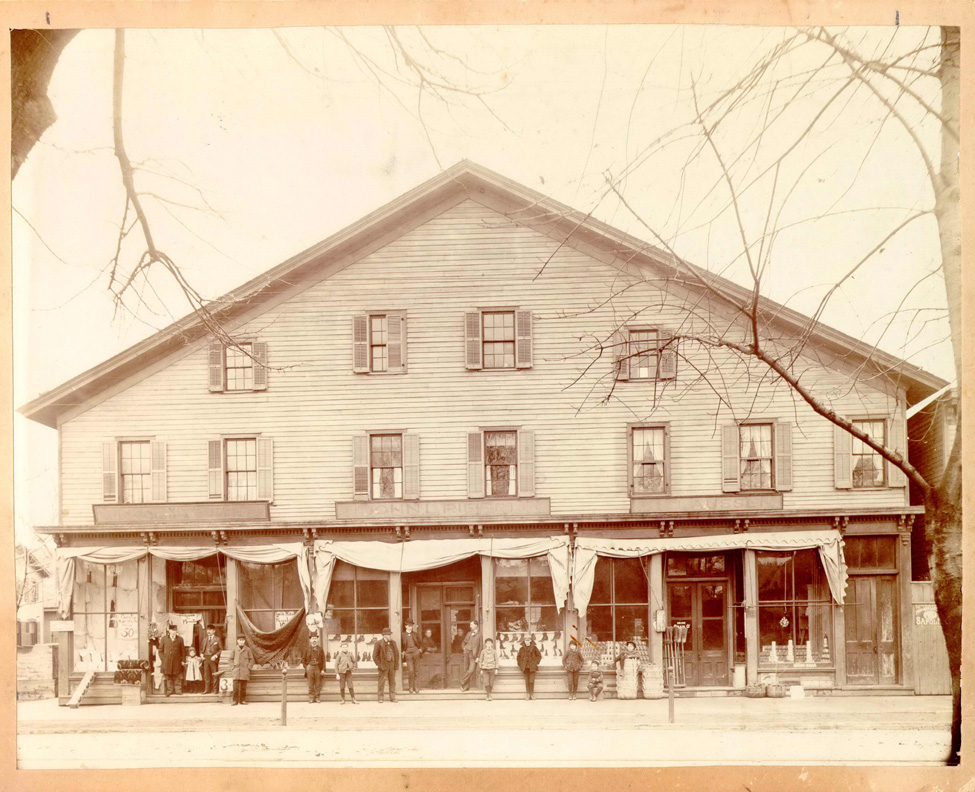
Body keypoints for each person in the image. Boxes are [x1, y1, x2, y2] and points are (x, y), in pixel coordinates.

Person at [373, 627, 400, 703]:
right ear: (384, 635)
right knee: (382, 682)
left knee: (392, 682)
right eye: (388, 635)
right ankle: (380, 697)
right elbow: (375, 656)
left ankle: (392, 697)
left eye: (390, 635)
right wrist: (380, 665)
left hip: (392, 664)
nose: (390, 636)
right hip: (383, 665)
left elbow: (396, 654)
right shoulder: (378, 643)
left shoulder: (393, 643)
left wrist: (396, 665)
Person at [158, 624, 185, 697]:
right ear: (169, 631)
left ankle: (178, 690)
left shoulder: (180, 639)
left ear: (176, 631)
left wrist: (182, 660)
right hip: (167, 662)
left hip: (177, 661)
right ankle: (169, 691)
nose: (173, 632)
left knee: (177, 676)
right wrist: (163, 659)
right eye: (172, 630)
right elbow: (160, 650)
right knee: (168, 677)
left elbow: (183, 651)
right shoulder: (164, 639)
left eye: (175, 630)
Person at [516, 634, 542, 700]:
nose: (527, 641)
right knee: (527, 681)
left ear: (530, 640)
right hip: (525, 668)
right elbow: (518, 657)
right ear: (524, 641)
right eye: (525, 640)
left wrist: (535, 662)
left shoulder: (534, 648)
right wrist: (520, 664)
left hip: (532, 667)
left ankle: (531, 694)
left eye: (528, 640)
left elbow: (539, 656)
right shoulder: (521, 649)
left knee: (531, 681)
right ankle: (527, 694)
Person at [231, 635, 254, 706]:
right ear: (237, 641)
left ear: (244, 641)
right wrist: (232, 666)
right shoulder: (234, 649)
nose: (241, 641)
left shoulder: (248, 649)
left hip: (244, 670)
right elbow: (230, 659)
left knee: (243, 687)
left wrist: (249, 667)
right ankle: (235, 701)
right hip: (236, 670)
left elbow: (252, 659)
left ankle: (242, 700)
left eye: (242, 640)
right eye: (240, 640)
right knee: (235, 687)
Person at [302, 634, 326, 703]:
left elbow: (323, 659)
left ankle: (317, 698)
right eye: (313, 639)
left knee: (318, 684)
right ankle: (311, 698)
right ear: (310, 640)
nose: (314, 640)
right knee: (310, 684)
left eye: (315, 638)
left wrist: (323, 669)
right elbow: (303, 659)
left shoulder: (320, 649)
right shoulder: (307, 649)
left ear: (317, 640)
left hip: (318, 667)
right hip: (310, 667)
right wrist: (306, 667)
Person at [200, 624, 222, 695]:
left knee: (215, 674)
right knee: (206, 675)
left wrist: (215, 656)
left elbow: (221, 650)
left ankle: (215, 690)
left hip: (213, 659)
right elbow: (201, 649)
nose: (209, 631)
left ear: (214, 631)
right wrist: (201, 655)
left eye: (210, 630)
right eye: (208, 630)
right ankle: (207, 689)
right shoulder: (205, 639)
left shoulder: (217, 639)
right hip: (206, 659)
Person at [460, 621, 482, 692]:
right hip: (466, 652)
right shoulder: (469, 633)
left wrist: (478, 657)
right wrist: (464, 648)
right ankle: (466, 687)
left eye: (471, 625)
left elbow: (481, 646)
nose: (470, 626)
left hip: (473, 655)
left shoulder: (480, 634)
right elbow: (464, 642)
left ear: (476, 625)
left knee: (471, 670)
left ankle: (462, 681)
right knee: (465, 670)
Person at [334, 640, 358, 704]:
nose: (345, 648)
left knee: (350, 685)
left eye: (346, 647)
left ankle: (353, 699)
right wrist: (337, 674)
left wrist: (353, 667)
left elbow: (354, 661)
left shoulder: (350, 654)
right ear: (341, 648)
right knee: (342, 686)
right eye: (343, 647)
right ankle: (343, 699)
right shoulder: (339, 655)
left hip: (348, 672)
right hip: (341, 673)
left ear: (348, 647)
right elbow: (336, 665)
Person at [477, 637, 500, 701]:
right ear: (485, 644)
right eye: (487, 643)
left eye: (490, 643)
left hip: (492, 668)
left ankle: (488, 695)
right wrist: (481, 669)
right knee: (486, 682)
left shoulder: (494, 651)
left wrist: (496, 668)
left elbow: (497, 660)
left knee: (491, 683)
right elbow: (480, 660)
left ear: (492, 644)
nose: (489, 644)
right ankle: (488, 694)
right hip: (485, 669)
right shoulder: (483, 651)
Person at [401, 622, 422, 694]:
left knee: (417, 670)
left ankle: (416, 687)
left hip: (416, 652)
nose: (410, 627)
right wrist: (403, 652)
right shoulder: (403, 635)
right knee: (410, 671)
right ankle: (410, 687)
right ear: (406, 626)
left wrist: (419, 650)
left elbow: (420, 643)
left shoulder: (415, 634)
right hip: (408, 653)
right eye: (409, 626)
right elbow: (401, 645)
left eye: (411, 626)